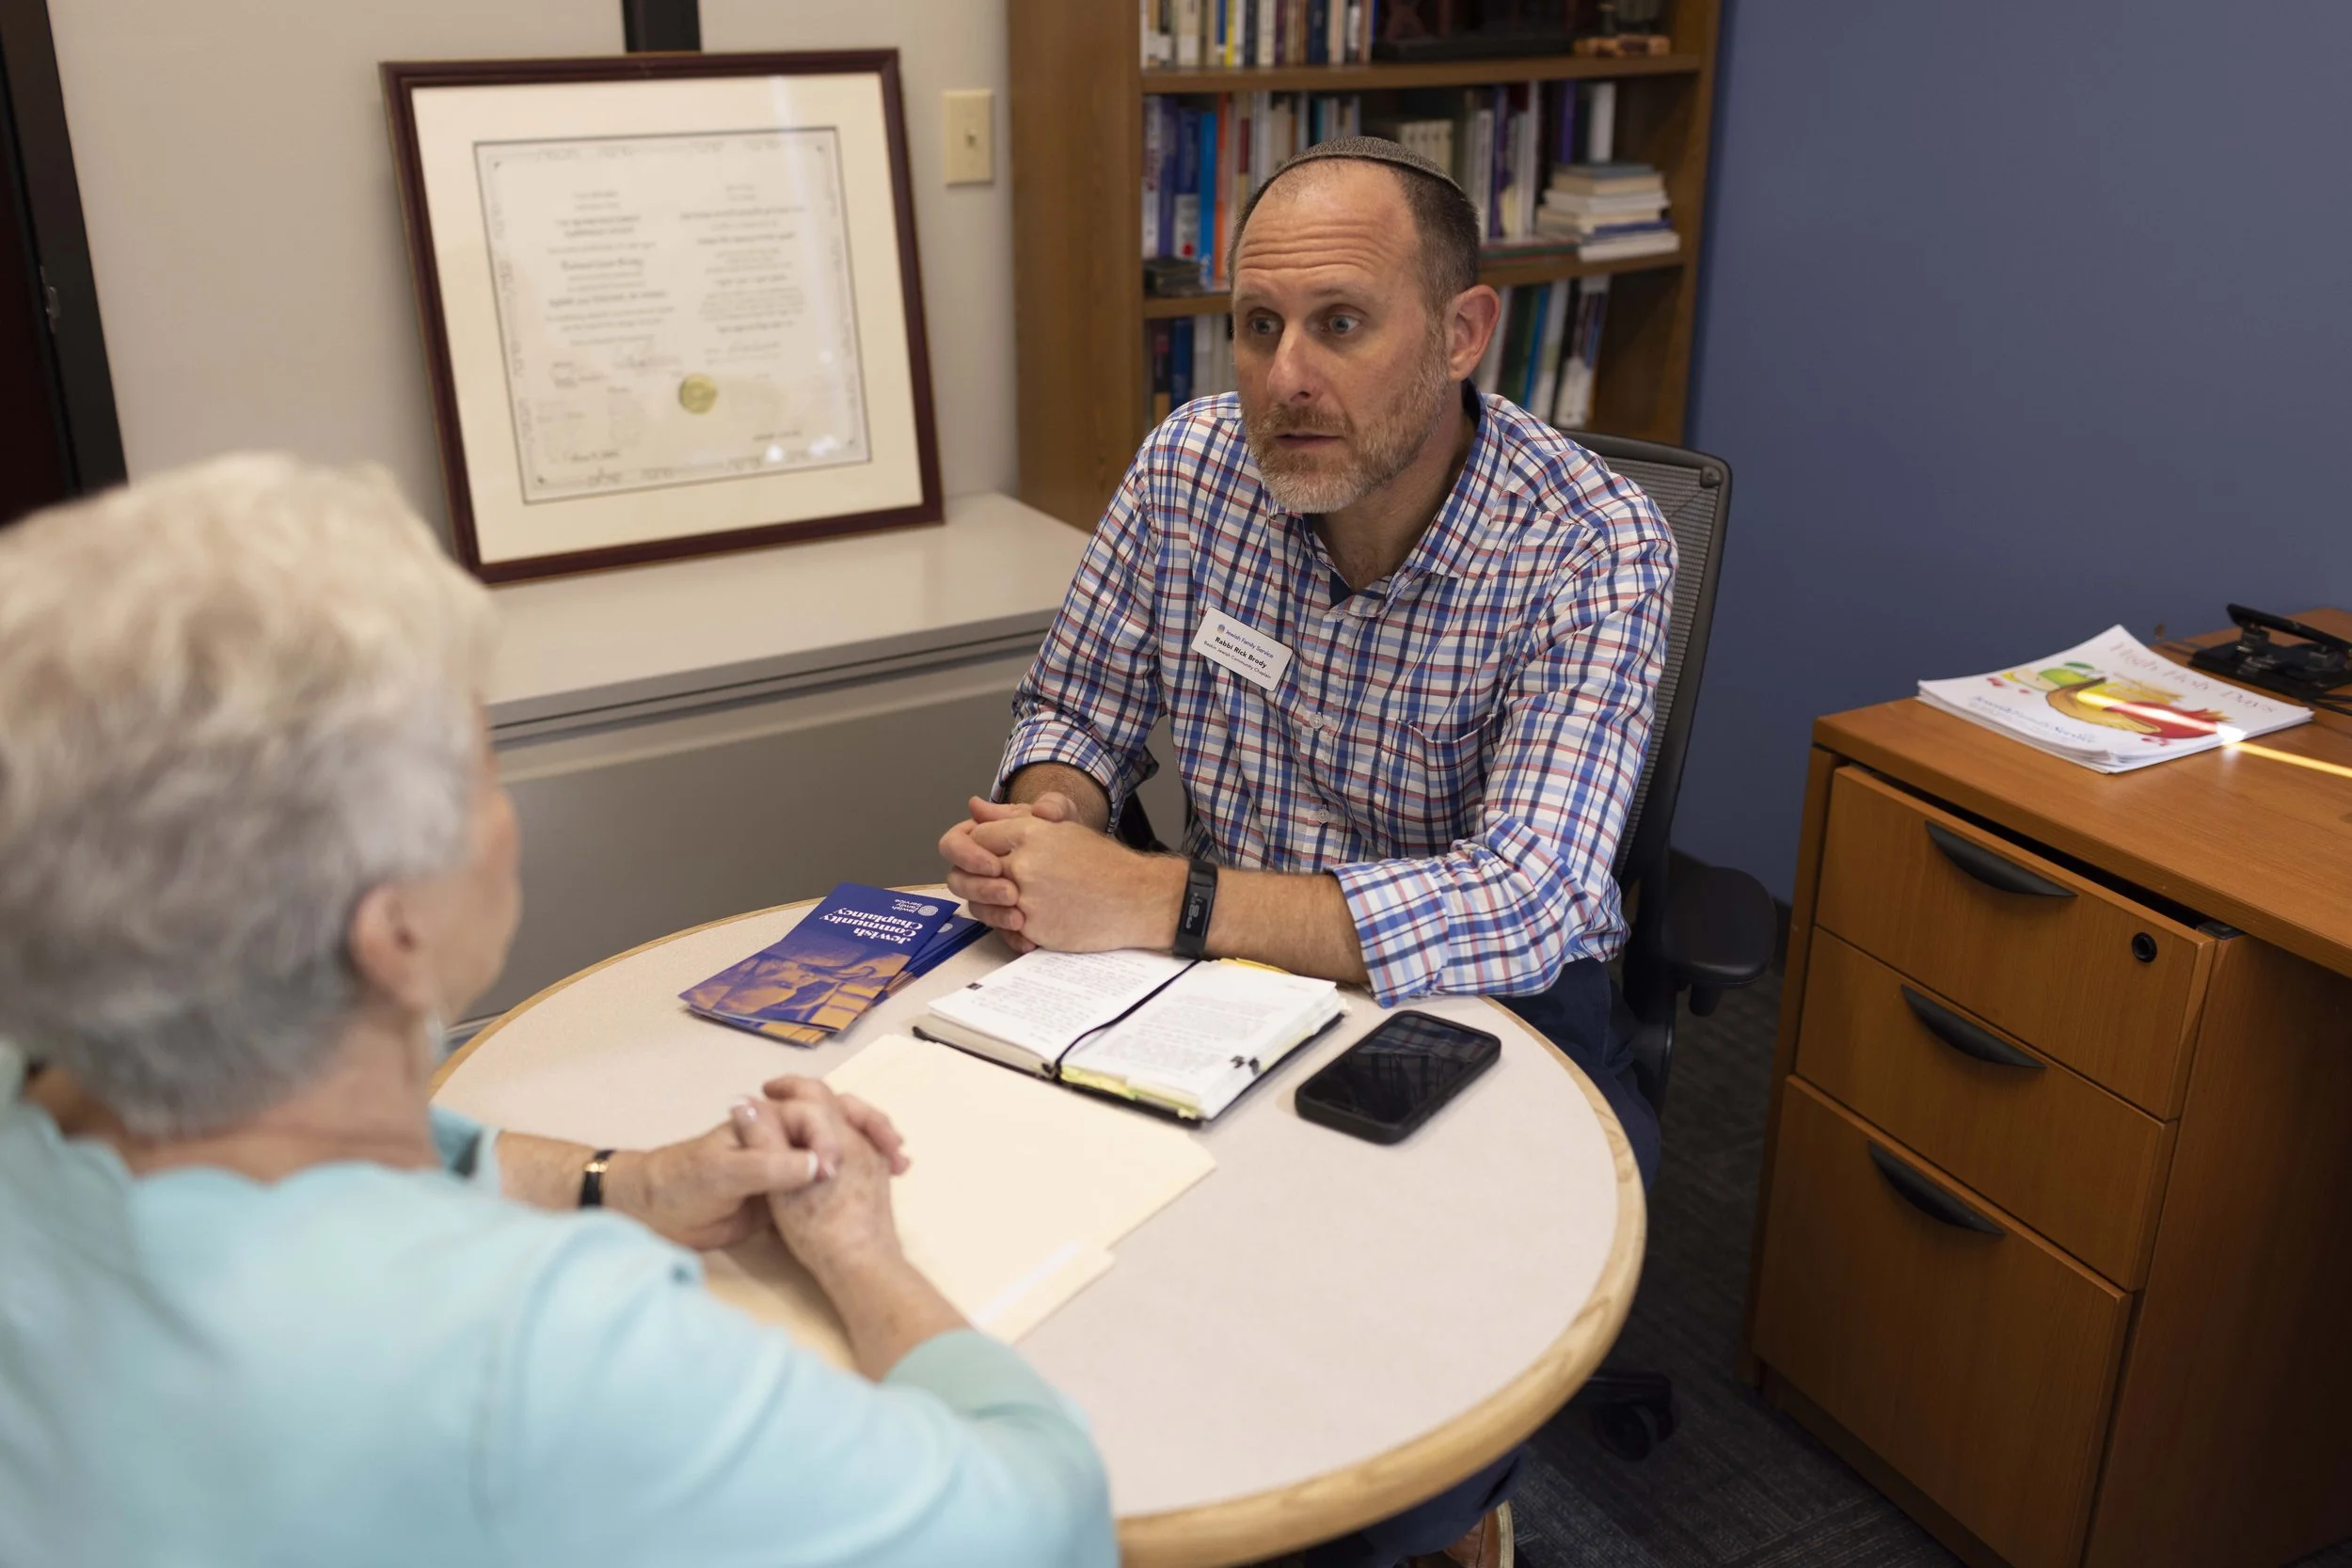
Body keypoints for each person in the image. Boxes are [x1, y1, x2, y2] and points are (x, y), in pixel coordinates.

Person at [0, 456, 1116, 1568]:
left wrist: (616, 1181)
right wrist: (866, 1253)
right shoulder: (535, 1345)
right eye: (485, 774)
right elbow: (1038, 1516)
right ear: (393, 936)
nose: (505, 820)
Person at [937, 137, 1675, 1568]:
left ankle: (1455, 1511)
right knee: (1040, 1274)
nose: (1284, 376)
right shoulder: (1191, 465)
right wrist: (1052, 820)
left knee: (1342, 1485)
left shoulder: (1594, 545)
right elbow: (1078, 705)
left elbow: (1531, 890)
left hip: (1495, 1014)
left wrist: (1163, 895)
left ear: (1462, 333)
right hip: (1222, 981)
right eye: (1258, 326)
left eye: (1339, 322)